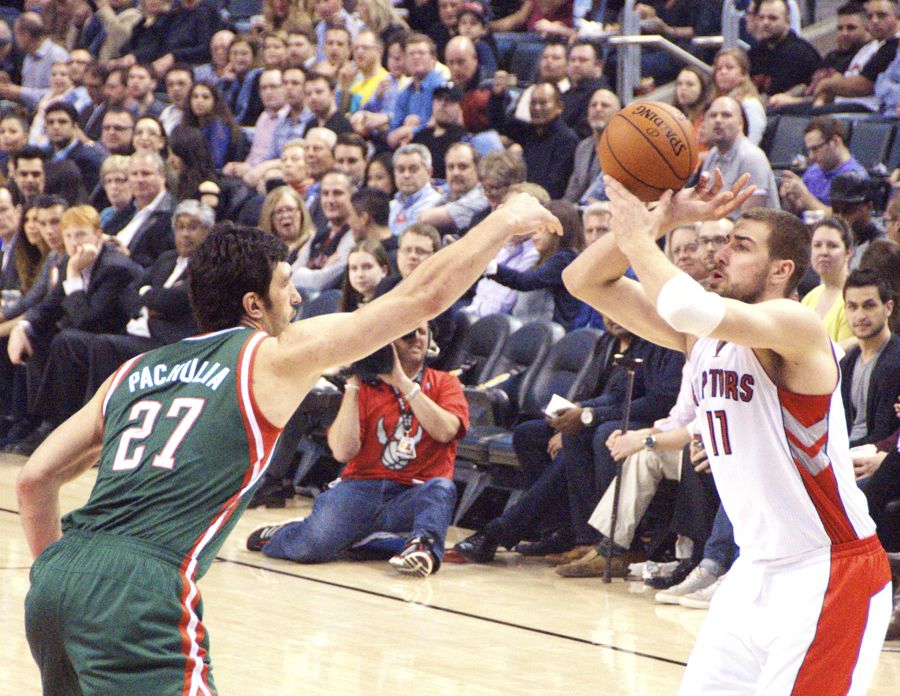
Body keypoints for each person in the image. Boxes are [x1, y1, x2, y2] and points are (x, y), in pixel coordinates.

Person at [17, 190, 559, 693]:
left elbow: (35, 479)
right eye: (285, 283)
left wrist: (58, 574)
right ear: (254, 305)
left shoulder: (134, 369)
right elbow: (421, 296)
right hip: (139, 590)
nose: (297, 297)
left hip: (57, 581)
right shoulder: (271, 354)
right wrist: (506, 220)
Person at [562, 170, 891, 694]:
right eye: (720, 241)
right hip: (753, 571)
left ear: (783, 268)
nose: (719, 252)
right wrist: (662, 218)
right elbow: (583, 282)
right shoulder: (704, 338)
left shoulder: (795, 326)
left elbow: (686, 304)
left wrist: (635, 236)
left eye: (739, 245)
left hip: (829, 571)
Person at [484, 199, 585, 329]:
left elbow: (524, 281)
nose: (534, 236)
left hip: (552, 339)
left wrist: (487, 265)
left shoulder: (565, 260)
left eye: (540, 229)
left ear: (558, 229)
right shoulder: (546, 258)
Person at [487, 79, 578, 199]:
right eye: (533, 103)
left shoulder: (567, 140)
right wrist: (497, 97)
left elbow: (556, 185)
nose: (537, 108)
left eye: (543, 103)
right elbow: (500, 124)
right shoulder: (529, 131)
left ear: (559, 107)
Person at [839, 268, 899, 447]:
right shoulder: (847, 360)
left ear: (888, 307)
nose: (860, 315)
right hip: (845, 452)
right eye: (853, 306)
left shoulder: (895, 362)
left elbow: (882, 433)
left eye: (869, 305)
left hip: (875, 457)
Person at [700, 96, 779, 214]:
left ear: (740, 123)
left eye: (726, 115)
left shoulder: (752, 157)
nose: (718, 120)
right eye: (713, 115)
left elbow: (751, 218)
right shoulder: (712, 155)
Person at [779, 117, 867, 215]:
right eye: (809, 150)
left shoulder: (853, 177)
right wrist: (791, 201)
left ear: (835, 141)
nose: (811, 157)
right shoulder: (813, 172)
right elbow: (798, 211)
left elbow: (841, 219)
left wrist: (805, 197)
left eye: (816, 149)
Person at [747, 0, 821, 96]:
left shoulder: (800, 54)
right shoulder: (755, 52)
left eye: (772, 18)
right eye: (761, 18)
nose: (765, 22)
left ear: (787, 21)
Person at [801, 218, 855, 345]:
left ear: (848, 252)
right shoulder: (810, 297)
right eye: (817, 245)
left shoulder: (855, 299)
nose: (823, 252)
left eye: (832, 246)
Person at [417, 141, 489, 234]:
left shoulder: (482, 195)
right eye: (451, 167)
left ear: (478, 169)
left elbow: (425, 218)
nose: (455, 173)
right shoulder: (448, 196)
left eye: (462, 167)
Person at [711, 48, 767, 146]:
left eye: (729, 68)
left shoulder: (750, 103)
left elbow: (753, 141)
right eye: (719, 68)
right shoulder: (714, 102)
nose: (723, 72)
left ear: (743, 74)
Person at [388, 144, 443, 236]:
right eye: (401, 170)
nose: (406, 175)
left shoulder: (436, 204)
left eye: (413, 169)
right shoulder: (391, 206)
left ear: (429, 172)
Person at [339, 239, 390, 311]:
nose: (360, 274)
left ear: (384, 271)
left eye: (367, 267)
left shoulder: (391, 305)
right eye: (354, 268)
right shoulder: (349, 306)